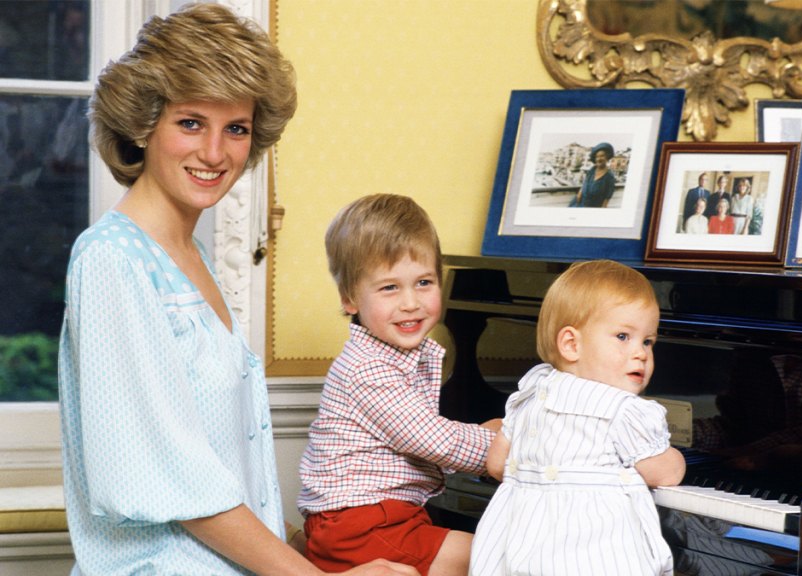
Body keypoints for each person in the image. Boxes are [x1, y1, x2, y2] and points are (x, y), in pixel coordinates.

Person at [58, 4, 414, 575]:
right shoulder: (110, 260)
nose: (216, 153)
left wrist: (314, 545)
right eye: (191, 122)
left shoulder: (189, 255)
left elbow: (219, 459)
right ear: (144, 124)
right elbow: (171, 478)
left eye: (237, 129)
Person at [299, 193, 502, 575]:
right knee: (493, 555)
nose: (411, 302)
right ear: (349, 299)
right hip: (359, 525)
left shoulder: (402, 355)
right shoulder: (369, 369)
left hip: (383, 516)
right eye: (389, 288)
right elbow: (433, 441)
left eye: (423, 282)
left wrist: (482, 436)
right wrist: (498, 444)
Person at [470, 260, 686, 576]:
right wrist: (677, 459)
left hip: (518, 551)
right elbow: (662, 473)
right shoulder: (623, 409)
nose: (640, 352)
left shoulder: (531, 393)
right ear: (572, 344)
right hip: (592, 557)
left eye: (648, 340)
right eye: (623, 336)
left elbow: (497, 464)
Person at [569, 142, 616, 207]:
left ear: (607, 157)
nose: (599, 159)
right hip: (579, 203)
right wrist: (580, 192)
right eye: (597, 157)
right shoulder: (592, 170)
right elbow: (585, 183)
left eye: (602, 156)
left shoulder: (610, 177)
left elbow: (606, 200)